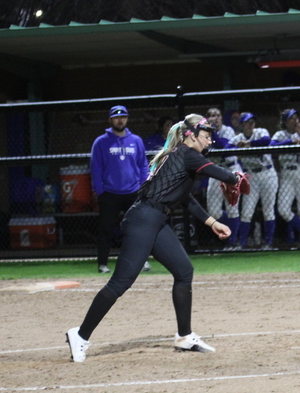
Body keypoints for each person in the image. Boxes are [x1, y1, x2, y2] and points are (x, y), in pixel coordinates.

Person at [66, 114, 240, 362]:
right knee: (120, 283)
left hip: (154, 220)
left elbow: (186, 199)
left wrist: (212, 222)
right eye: (205, 135)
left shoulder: (179, 156)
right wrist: (236, 177)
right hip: (144, 220)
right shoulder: (187, 154)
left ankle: (184, 336)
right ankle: (80, 335)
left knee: (184, 271)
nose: (210, 140)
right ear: (190, 135)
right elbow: (223, 174)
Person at [90, 105, 150, 273]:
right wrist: (100, 191)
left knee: (137, 229)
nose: (120, 120)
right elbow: (96, 168)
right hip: (110, 193)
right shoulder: (101, 142)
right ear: (110, 120)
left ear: (127, 119)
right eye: (116, 117)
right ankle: (103, 264)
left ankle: (141, 261)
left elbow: (143, 165)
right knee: (105, 229)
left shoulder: (136, 140)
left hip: (133, 192)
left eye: (123, 117)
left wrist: (143, 186)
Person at [228, 112, 278, 249]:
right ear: (242, 125)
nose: (250, 124)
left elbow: (266, 141)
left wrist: (249, 143)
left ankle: (268, 243)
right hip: (251, 176)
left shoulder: (261, 132)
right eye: (247, 122)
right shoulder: (238, 138)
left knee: (268, 210)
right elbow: (227, 148)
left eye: (252, 122)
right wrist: (238, 147)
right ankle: (243, 243)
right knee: (247, 211)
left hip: (268, 174)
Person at [271, 109, 300, 247]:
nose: (295, 120)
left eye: (296, 117)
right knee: (283, 209)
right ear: (285, 121)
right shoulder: (280, 134)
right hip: (287, 173)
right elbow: (272, 147)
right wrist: (291, 142)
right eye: (291, 118)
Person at [204, 107, 242, 250]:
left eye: (218, 115)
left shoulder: (228, 130)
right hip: (215, 171)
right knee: (213, 211)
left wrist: (212, 131)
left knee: (232, 208)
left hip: (230, 170)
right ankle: (233, 231)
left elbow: (222, 147)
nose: (216, 118)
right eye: (212, 115)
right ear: (207, 118)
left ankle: (233, 242)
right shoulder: (204, 134)